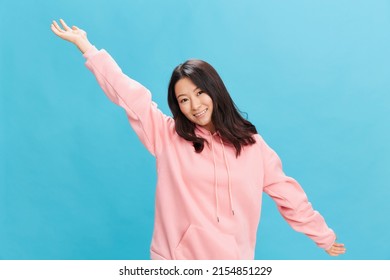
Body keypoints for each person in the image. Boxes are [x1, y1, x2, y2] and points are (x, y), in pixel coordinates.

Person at [50, 19, 346, 259]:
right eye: (183, 99)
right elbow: (129, 94)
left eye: (200, 93)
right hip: (175, 263)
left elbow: (288, 194)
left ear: (215, 91)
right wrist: (87, 48)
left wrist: (322, 235)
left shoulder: (252, 146)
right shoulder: (166, 136)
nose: (195, 105)